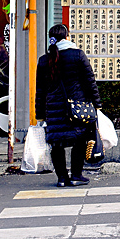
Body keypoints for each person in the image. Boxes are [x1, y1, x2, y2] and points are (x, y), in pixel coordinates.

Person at [35, 24, 101, 187]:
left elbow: (40, 90)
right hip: (77, 107)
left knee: (57, 143)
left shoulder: (44, 60)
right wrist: (97, 104)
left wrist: (40, 113)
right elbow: (89, 81)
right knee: (79, 139)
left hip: (54, 108)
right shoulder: (77, 55)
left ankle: (62, 178)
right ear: (67, 37)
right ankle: (76, 175)